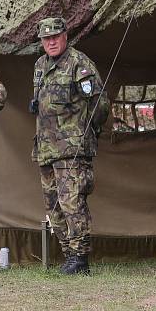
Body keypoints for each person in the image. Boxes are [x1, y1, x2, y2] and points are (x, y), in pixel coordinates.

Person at [29, 17, 109, 275]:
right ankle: (68, 254)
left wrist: (86, 132)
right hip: (45, 147)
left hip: (72, 148)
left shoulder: (80, 64)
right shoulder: (40, 65)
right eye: (46, 38)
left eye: (55, 36)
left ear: (65, 36)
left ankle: (79, 257)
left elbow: (100, 105)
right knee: (53, 204)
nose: (51, 42)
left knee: (72, 202)